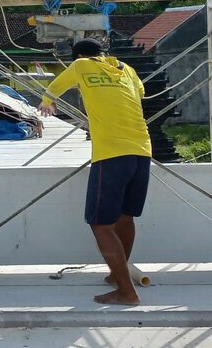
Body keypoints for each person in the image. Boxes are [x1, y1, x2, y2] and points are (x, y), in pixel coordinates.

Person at [38, 38, 151, 306]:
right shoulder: (127, 69)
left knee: (100, 224)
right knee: (126, 217)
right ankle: (117, 277)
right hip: (142, 150)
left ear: (78, 55)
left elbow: (55, 86)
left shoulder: (80, 64)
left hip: (111, 153)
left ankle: (126, 291)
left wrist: (47, 101)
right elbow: (142, 93)